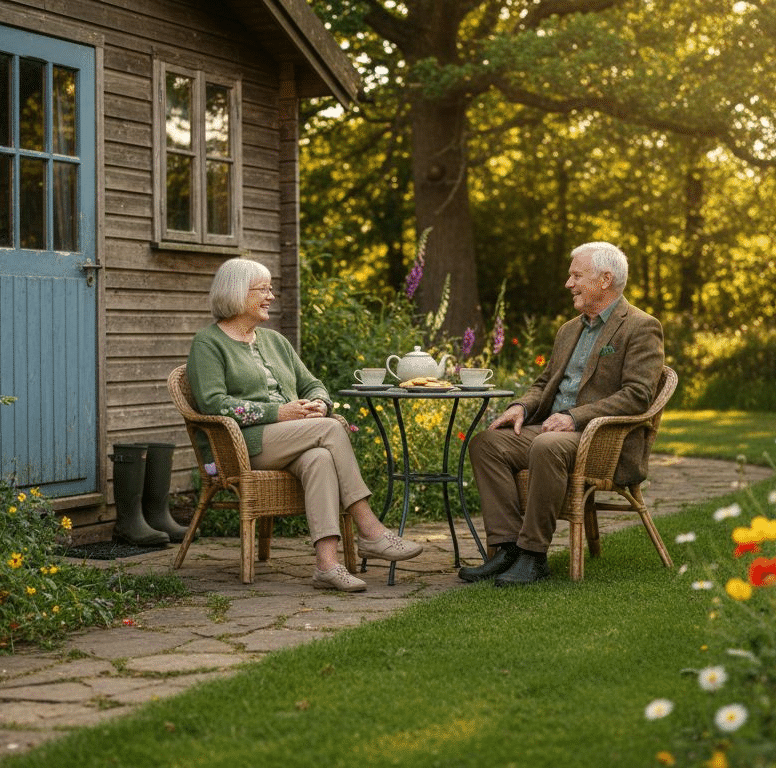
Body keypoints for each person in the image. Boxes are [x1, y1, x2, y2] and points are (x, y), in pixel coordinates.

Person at [185, 257, 423, 591]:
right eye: (263, 290)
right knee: (330, 428)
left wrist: (319, 403)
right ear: (238, 293)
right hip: (242, 447)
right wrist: (278, 413)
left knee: (321, 458)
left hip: (291, 440)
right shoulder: (207, 344)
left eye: (271, 289)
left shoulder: (274, 341)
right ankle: (370, 530)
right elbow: (213, 403)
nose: (271, 296)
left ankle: (326, 566)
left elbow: (312, 383)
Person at [460, 242, 664, 586]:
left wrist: (574, 416)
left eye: (576, 275)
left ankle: (533, 555)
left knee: (548, 445)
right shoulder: (569, 329)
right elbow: (544, 383)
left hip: (601, 439)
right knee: (486, 443)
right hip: (553, 431)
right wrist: (520, 407)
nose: (569, 283)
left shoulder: (641, 327)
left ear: (604, 279)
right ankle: (507, 549)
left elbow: (637, 395)